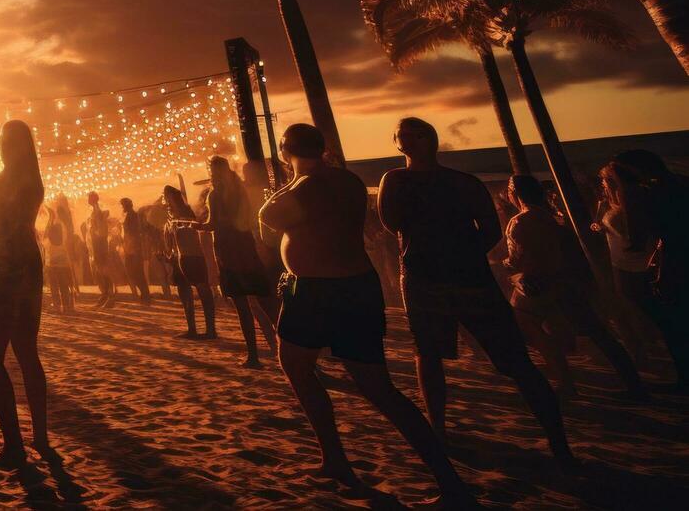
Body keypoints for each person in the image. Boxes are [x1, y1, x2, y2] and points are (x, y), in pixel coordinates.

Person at [261, 123, 470, 502]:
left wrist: (285, 183)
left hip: (318, 290)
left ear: (284, 150)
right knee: (374, 385)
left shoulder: (308, 185)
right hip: (356, 285)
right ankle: (443, 480)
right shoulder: (347, 180)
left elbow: (268, 219)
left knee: (306, 369)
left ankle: (341, 459)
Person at [377, 117, 572, 465]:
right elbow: (392, 223)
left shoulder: (455, 181)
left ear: (430, 139)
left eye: (415, 133)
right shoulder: (398, 179)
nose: (407, 139)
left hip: (454, 278)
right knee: (430, 353)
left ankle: (558, 440)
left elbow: (489, 229)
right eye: (401, 134)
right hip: (431, 277)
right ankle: (438, 428)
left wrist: (457, 254)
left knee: (512, 359)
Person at [504, 174, 646, 401]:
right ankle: (633, 382)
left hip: (539, 283)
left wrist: (509, 265)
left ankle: (566, 381)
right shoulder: (552, 217)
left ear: (515, 193)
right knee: (598, 332)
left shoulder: (520, 221)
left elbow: (522, 255)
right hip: (566, 281)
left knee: (528, 325)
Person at [0, 121, 55, 469]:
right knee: (26, 352)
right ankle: (41, 438)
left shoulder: (6, 180)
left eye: (7, 141)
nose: (3, 147)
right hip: (28, 268)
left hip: (4, 270)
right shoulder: (33, 181)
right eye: (1, 141)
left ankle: (14, 446)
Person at [597, 159, 688, 389]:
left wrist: (606, 223)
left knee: (666, 324)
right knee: (664, 323)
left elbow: (635, 240)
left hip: (636, 271)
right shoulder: (627, 202)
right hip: (631, 269)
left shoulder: (631, 202)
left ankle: (680, 374)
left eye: (606, 181)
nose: (603, 186)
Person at [193, 157, 276, 367]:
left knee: (242, 305)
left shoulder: (215, 195)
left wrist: (199, 227)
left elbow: (213, 224)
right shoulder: (240, 191)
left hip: (228, 250)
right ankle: (283, 348)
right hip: (245, 246)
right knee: (266, 302)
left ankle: (253, 355)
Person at [161, 186, 216, 339]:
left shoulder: (185, 213)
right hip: (179, 258)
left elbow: (191, 233)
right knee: (184, 293)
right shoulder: (170, 216)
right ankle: (191, 328)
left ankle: (211, 330)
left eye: (167, 197)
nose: (165, 200)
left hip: (193, 257)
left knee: (203, 291)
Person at [118, 197, 151, 304]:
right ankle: (145, 295)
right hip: (129, 248)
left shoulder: (133, 216)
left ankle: (145, 295)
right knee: (133, 273)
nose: (121, 207)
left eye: (122, 205)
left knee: (137, 273)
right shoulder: (129, 215)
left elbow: (134, 233)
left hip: (134, 249)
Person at [85, 193, 116, 308]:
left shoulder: (97, 212)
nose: (87, 199)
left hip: (100, 246)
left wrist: (94, 232)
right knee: (100, 272)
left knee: (104, 271)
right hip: (96, 246)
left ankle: (110, 296)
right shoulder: (95, 212)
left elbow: (101, 231)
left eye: (89, 198)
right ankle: (105, 295)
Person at [44, 218, 76, 316]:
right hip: (63, 265)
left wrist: (50, 219)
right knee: (64, 286)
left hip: (52, 266)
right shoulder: (63, 241)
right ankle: (66, 306)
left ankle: (57, 306)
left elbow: (45, 234)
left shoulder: (48, 242)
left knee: (54, 287)